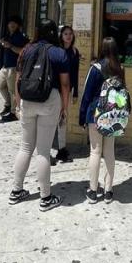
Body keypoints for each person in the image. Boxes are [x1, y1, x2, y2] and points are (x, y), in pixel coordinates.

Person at [9, 20, 70, 211]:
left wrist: (18, 101)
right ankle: (45, 197)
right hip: (49, 100)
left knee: (25, 147)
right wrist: (64, 107)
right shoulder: (59, 53)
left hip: (27, 99)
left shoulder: (26, 50)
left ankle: (16, 191)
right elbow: (65, 84)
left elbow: (18, 78)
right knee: (43, 151)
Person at [79, 37, 125, 204]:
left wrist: (82, 116)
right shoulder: (120, 68)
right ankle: (108, 190)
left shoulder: (96, 68)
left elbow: (87, 94)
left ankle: (92, 191)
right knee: (109, 152)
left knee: (95, 152)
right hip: (113, 115)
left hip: (95, 114)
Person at [51, 25, 81, 165]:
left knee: (63, 119)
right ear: (61, 36)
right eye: (65, 34)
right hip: (55, 89)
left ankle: (62, 149)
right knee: (52, 119)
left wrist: (75, 93)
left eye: (70, 34)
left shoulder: (75, 52)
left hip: (67, 91)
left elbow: (75, 73)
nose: (68, 36)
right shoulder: (57, 51)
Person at [0, 16, 27, 120]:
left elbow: (22, 51)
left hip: (14, 67)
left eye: (14, 23)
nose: (12, 25)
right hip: (5, 66)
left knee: (13, 91)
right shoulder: (8, 35)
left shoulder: (20, 37)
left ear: (18, 25)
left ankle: (14, 112)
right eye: (10, 23)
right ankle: (8, 104)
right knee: (0, 85)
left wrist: (10, 46)